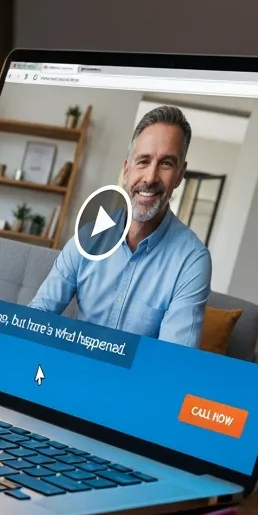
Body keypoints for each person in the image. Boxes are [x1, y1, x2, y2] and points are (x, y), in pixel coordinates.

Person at [28, 106, 212, 348]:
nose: (150, 177)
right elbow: (37, 315)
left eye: (166, 163)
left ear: (180, 175)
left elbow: (172, 364)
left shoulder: (192, 260)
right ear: (127, 170)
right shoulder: (88, 238)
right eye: (143, 161)